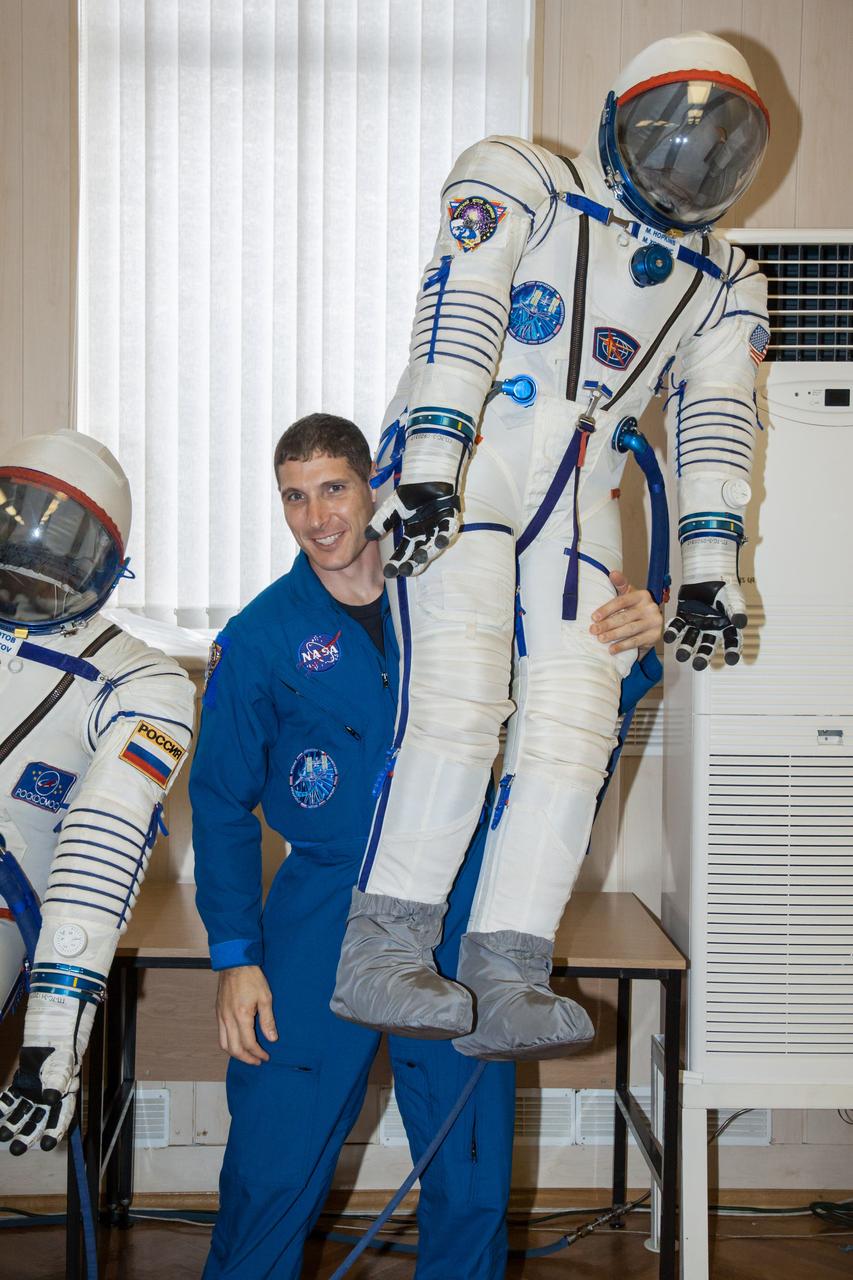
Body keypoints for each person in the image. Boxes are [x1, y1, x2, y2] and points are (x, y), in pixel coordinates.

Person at [331, 30, 770, 1060]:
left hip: (584, 487)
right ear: (619, 115)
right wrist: (432, 455)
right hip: (482, 449)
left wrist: (710, 579)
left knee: (577, 720)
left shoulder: (723, 277)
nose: (687, 163)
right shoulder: (522, 179)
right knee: (462, 693)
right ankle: (384, 946)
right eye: (668, 133)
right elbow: (459, 311)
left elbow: (717, 425)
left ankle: (509, 962)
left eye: (717, 148)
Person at [189, 413, 661, 1279]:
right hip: (320, 917)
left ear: (375, 486)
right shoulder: (259, 638)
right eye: (294, 497)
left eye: (334, 488)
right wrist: (234, 955)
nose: (317, 516)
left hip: (459, 912)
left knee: (471, 1175)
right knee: (271, 1163)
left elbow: (579, 685)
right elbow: (218, 804)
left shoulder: (467, 598)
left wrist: (639, 625)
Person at [0, 429, 195, 1153]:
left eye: (57, 548)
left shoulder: (145, 682)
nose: (31, 564)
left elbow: (104, 836)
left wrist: (52, 1040)